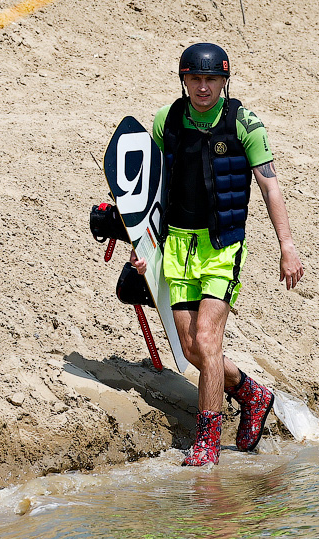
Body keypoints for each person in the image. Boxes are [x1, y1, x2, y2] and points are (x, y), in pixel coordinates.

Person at [130, 42, 304, 466]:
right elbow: (145, 189)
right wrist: (140, 247)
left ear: (224, 81)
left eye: (211, 79)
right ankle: (252, 394)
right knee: (192, 349)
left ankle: (207, 443)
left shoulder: (245, 124)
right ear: (184, 81)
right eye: (195, 79)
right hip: (176, 245)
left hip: (222, 245)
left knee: (208, 340)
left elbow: (269, 185)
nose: (203, 87)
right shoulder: (165, 122)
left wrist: (286, 244)